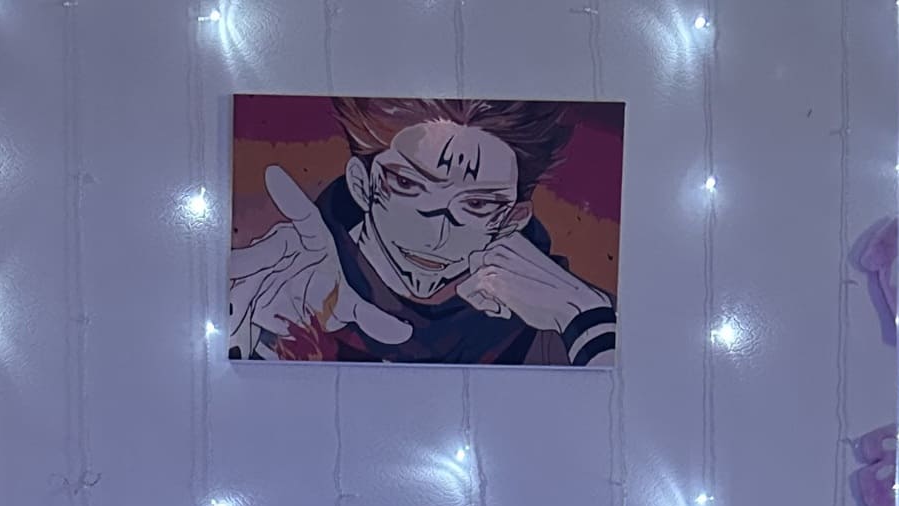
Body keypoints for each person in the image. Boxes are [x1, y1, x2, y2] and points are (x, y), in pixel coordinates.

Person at [229, 99, 617, 366]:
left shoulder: (570, 321)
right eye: (408, 184)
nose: (436, 236)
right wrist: (241, 348)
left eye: (477, 204)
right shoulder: (283, 286)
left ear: (512, 219)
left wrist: (586, 321)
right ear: (361, 184)